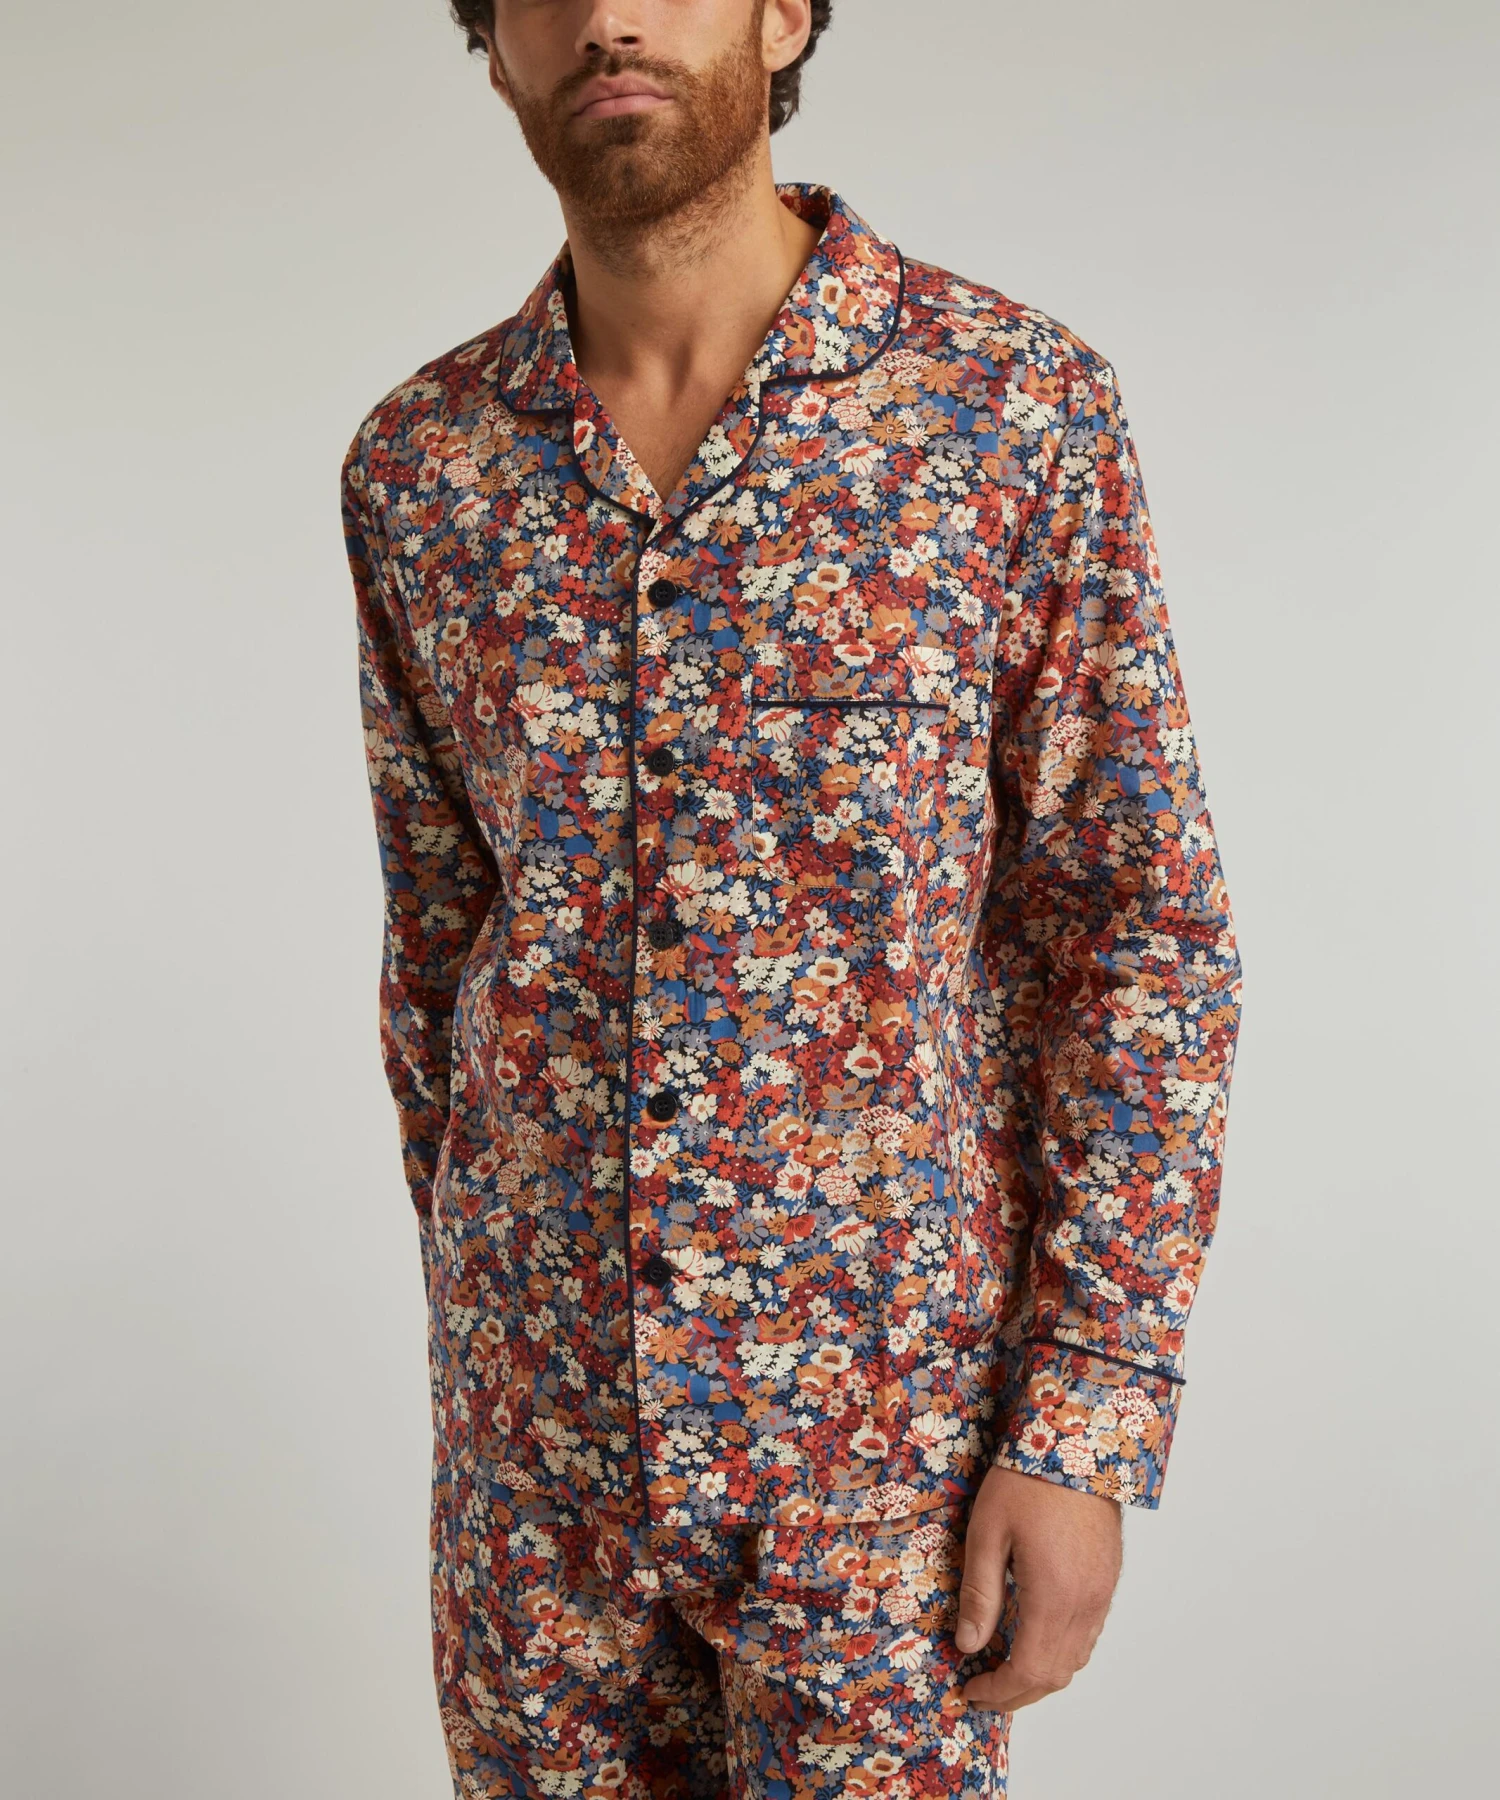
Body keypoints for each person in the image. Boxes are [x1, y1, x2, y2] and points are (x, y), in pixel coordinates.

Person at [339, 3, 1242, 1793]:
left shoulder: (1009, 407)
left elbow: (1135, 927)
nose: (608, 17)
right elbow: (437, 947)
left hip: (884, 1467)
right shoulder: (421, 467)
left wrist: (1083, 1423)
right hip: (539, 1482)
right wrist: (496, 1345)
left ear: (786, 9)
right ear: (493, 44)